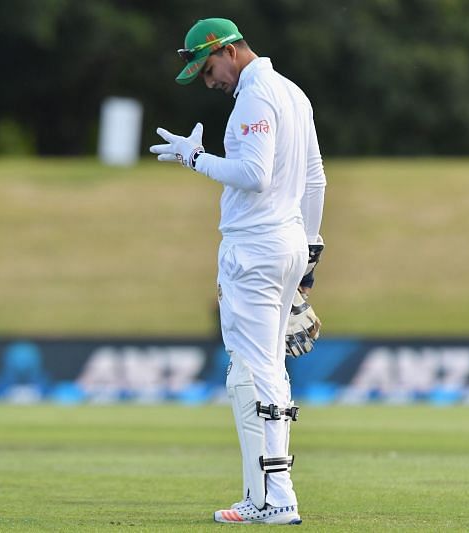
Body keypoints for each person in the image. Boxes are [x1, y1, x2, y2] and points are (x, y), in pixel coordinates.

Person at [150, 18, 325, 525]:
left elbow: (253, 174)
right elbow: (315, 178)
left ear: (228, 51)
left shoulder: (254, 95)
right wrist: (310, 256)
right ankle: (262, 494)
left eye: (208, 70)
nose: (210, 83)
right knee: (257, 369)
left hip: (255, 248)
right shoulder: (293, 92)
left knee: (256, 371)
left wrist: (195, 157)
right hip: (288, 241)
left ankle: (279, 497)